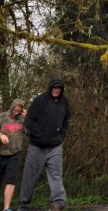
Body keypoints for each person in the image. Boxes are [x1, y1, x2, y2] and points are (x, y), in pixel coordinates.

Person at [19, 79, 70, 211]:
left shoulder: (64, 102)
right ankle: (24, 204)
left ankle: (58, 203)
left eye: (59, 88)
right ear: (50, 88)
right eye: (54, 87)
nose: (56, 90)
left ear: (61, 90)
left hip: (55, 146)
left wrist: (61, 135)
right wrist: (37, 135)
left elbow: (66, 120)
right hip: (37, 146)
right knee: (30, 175)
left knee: (56, 174)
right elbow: (29, 121)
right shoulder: (39, 100)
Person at [0, 99, 26, 211]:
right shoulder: (2, 116)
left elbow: (34, 130)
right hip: (1, 153)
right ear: (12, 107)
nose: (16, 112)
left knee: (11, 180)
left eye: (19, 111)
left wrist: (28, 117)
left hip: (15, 154)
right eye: (15, 110)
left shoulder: (23, 119)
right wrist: (0, 135)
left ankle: (7, 208)